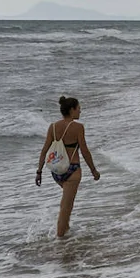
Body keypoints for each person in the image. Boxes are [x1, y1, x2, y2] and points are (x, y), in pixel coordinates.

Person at [36, 96, 100, 238]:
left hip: (56, 170)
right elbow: (84, 151)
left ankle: (66, 233)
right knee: (66, 208)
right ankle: (61, 241)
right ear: (72, 110)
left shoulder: (53, 127)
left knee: (67, 204)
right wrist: (93, 170)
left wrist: (39, 171)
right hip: (73, 171)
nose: (80, 111)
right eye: (78, 108)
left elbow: (44, 150)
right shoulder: (78, 127)